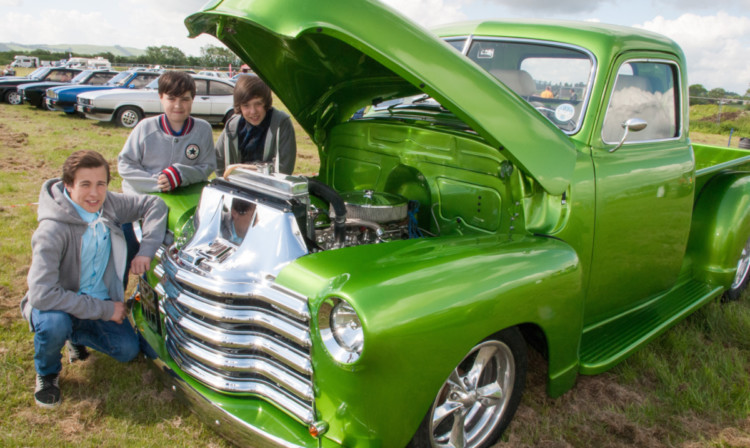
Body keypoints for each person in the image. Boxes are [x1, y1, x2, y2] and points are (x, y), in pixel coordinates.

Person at [21, 150, 167, 408]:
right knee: (54, 325)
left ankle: (74, 336)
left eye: (101, 184)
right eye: (85, 184)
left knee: (127, 350)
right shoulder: (51, 231)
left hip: (96, 299)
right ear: (68, 185)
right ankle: (47, 373)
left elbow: (155, 204)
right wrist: (105, 309)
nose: (94, 194)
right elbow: (42, 294)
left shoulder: (109, 203)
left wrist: (146, 249)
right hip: (55, 304)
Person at [118, 70, 216, 195]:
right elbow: (125, 165)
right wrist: (158, 183)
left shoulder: (203, 129)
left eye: (185, 99)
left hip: (183, 199)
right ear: (161, 97)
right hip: (144, 198)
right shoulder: (145, 127)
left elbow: (207, 166)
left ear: (193, 99)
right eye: (171, 99)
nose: (178, 106)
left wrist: (181, 175)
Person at [215, 75, 297, 177]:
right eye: (246, 105)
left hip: (271, 189)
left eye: (258, 104)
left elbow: (284, 168)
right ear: (239, 106)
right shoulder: (232, 126)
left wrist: (239, 168)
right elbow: (218, 159)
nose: (253, 111)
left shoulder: (282, 124)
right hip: (238, 187)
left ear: (266, 102)